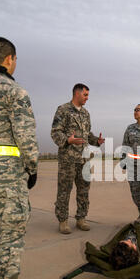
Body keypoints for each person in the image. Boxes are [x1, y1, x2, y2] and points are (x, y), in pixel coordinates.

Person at [0, 37, 40, 279]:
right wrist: (31, 168)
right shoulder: (13, 91)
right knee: (7, 234)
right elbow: (26, 138)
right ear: (8, 59)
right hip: (4, 174)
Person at [51, 84, 105, 234]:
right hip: (68, 159)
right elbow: (55, 132)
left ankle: (81, 218)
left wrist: (96, 141)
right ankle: (63, 221)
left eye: (88, 95)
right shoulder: (63, 110)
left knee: (84, 190)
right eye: (85, 95)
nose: (87, 98)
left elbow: (87, 134)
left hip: (85, 159)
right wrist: (68, 140)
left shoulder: (86, 114)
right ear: (77, 94)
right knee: (64, 190)